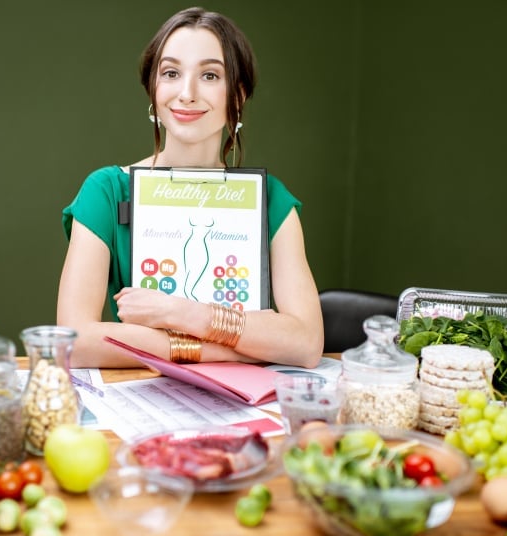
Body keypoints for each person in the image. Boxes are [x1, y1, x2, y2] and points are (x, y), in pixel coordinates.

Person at [57, 7, 323, 368]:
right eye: (170, 73)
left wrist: (182, 313)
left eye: (210, 75)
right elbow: (75, 340)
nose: (187, 93)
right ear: (154, 89)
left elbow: (305, 342)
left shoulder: (271, 200)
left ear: (239, 96)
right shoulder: (105, 191)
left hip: (245, 407)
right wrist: (231, 348)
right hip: (140, 399)